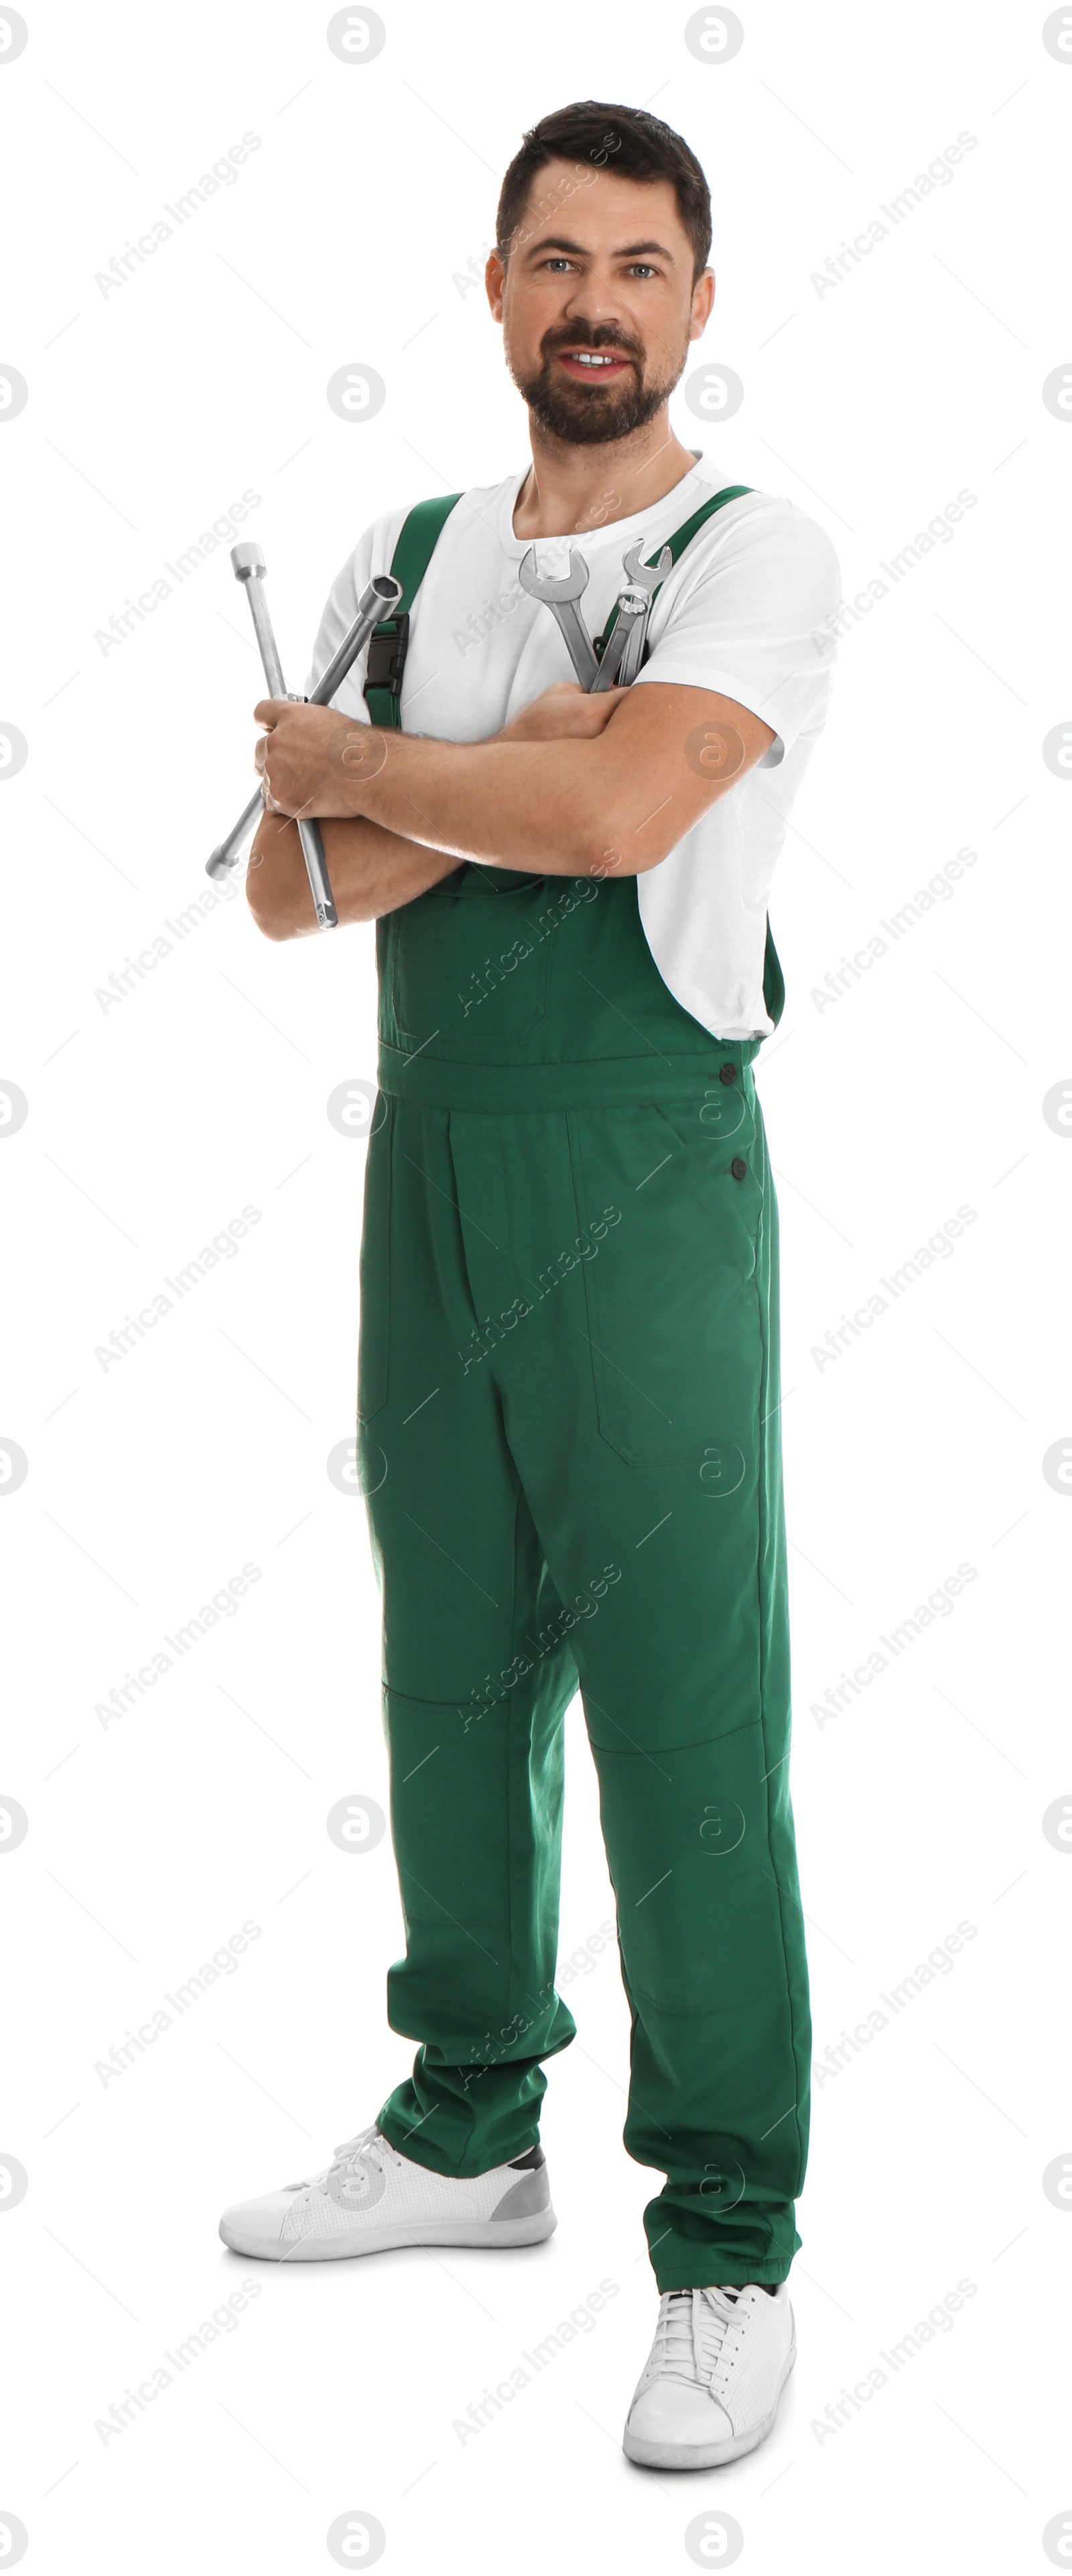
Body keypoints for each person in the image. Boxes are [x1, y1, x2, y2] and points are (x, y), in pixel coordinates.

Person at [218, 97, 841, 2473]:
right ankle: (471, 2121)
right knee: (451, 1672)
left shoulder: (754, 549)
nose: (596, 302)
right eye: (555, 260)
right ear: (496, 291)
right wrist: (518, 745)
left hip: (647, 1172)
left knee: (688, 1724)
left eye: (642, 265)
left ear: (699, 300)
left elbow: (604, 828)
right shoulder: (417, 545)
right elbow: (295, 898)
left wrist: (404, 770)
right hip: (433, 1170)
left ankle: (729, 2249)